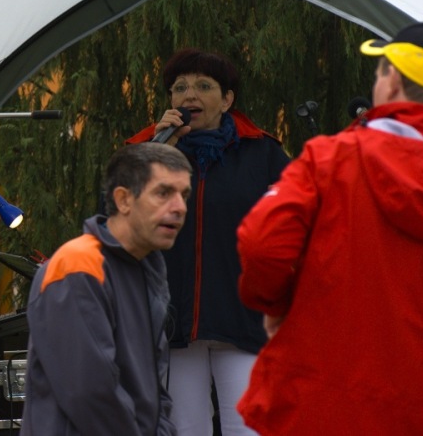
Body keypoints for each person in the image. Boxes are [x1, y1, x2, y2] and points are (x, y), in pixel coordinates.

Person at [236, 21, 423, 435]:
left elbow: (262, 243)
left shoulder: (329, 159)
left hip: (324, 403)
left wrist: (275, 305)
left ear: (393, 81)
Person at [126, 48, 289, 436]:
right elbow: (116, 219)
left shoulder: (262, 153)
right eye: (180, 87)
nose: (190, 95)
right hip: (174, 323)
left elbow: (292, 227)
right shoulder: (146, 152)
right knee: (184, 429)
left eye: (203, 86)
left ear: (227, 99)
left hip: (244, 318)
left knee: (250, 427)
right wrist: (158, 153)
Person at [21, 142, 191, 436]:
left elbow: (153, 387)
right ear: (123, 200)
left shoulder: (147, 265)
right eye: (164, 193)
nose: (180, 207)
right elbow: (91, 394)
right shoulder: (78, 266)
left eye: (184, 195)